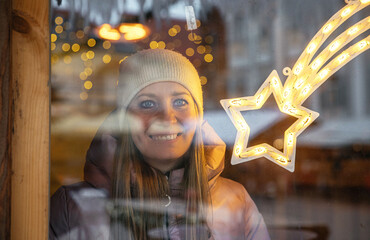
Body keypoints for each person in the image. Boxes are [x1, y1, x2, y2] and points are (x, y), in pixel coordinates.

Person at [49, 49, 270, 240]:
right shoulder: (72, 207)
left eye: (180, 101)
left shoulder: (236, 202)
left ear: (197, 115)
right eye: (147, 103)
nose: (167, 116)